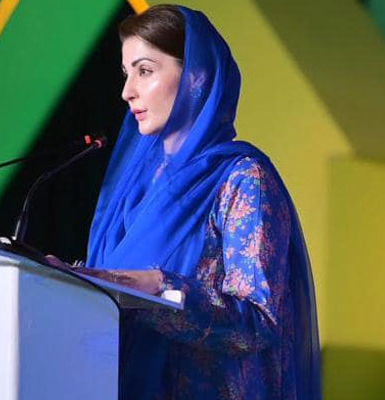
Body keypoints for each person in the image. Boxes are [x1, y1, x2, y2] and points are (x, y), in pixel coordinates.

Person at [82, 4, 320, 400]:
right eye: (127, 74)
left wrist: (161, 287)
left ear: (196, 75)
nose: (127, 92)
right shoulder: (136, 187)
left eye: (145, 71)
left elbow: (258, 323)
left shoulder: (243, 179)